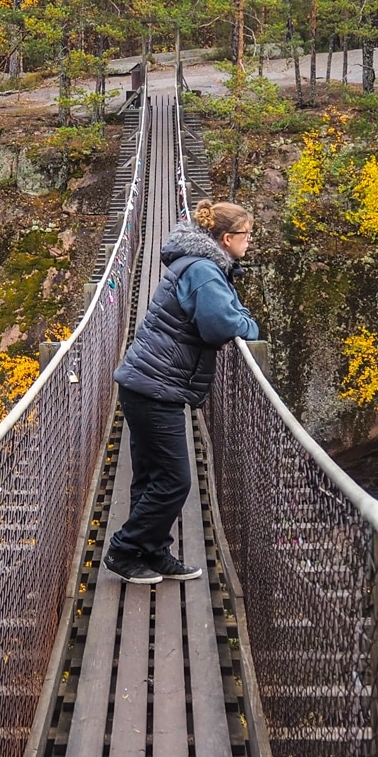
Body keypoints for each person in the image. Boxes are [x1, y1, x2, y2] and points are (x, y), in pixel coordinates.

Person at [103, 198, 261, 584]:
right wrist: (249, 325)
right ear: (226, 238)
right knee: (175, 480)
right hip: (157, 388)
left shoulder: (198, 265)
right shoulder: (205, 272)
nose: (251, 242)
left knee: (151, 475)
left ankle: (153, 552)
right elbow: (220, 326)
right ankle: (124, 551)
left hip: (146, 382)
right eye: (247, 235)